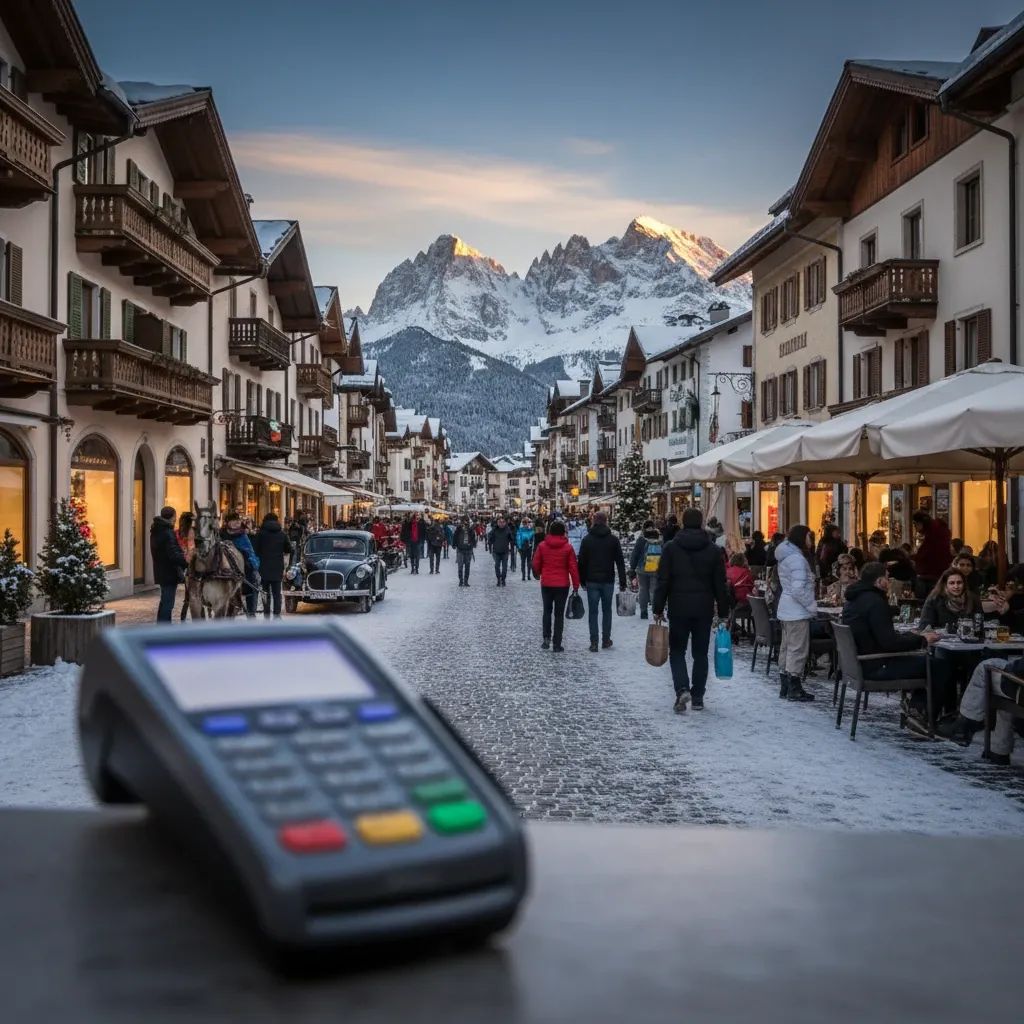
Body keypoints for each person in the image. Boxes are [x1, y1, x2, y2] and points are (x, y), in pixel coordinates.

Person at [842, 561, 948, 738]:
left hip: (860, 664)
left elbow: (881, 636)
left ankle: (915, 706)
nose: (889, 581)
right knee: (938, 665)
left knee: (928, 661)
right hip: (876, 666)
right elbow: (889, 643)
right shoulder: (875, 602)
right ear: (879, 582)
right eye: (887, 578)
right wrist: (922, 639)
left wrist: (912, 636)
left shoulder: (854, 599)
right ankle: (920, 712)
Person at [652, 508, 729, 712]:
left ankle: (682, 689)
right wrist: (723, 611)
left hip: (678, 608)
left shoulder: (670, 548)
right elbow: (720, 584)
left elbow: (663, 580)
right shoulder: (713, 550)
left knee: (677, 651)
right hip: (703, 609)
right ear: (701, 522)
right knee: (700, 653)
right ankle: (698, 697)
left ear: (683, 523)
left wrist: (658, 607)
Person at [939, 655, 1024, 764]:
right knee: (1004, 697)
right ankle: (998, 750)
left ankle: (967, 723)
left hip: (1019, 690)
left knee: (986, 666)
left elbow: (1019, 668)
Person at [773, 524, 818, 702]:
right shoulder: (797, 560)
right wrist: (811, 605)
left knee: (786, 647)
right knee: (797, 648)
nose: (811, 541)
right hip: (796, 610)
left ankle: (785, 684)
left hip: (786, 608)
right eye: (809, 536)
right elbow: (799, 589)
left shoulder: (786, 557)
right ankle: (794, 686)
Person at [577, 511, 627, 652]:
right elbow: (620, 562)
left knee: (593, 612)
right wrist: (623, 581)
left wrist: (582, 580)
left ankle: (594, 642)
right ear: (606, 522)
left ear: (593, 521)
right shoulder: (613, 540)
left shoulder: (587, 540)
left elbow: (581, 562)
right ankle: (606, 639)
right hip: (607, 580)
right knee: (606, 611)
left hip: (592, 580)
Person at [532, 519, 580, 653]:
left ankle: (546, 638)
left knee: (547, 611)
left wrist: (541, 572)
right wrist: (576, 585)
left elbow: (535, 564)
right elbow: (573, 567)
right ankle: (557, 643)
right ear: (563, 532)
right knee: (559, 614)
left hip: (547, 583)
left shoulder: (542, 546)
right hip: (562, 585)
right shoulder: (568, 547)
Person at [151, 505, 187, 623]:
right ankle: (164, 627)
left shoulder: (156, 530)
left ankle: (161, 625)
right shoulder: (167, 532)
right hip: (169, 572)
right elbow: (173, 553)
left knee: (164, 600)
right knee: (168, 602)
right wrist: (186, 561)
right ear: (173, 517)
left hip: (161, 570)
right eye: (175, 517)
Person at [252, 512, 292, 618]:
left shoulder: (260, 534)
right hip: (277, 567)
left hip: (263, 567)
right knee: (276, 593)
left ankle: (266, 615)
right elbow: (289, 549)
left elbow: (254, 550)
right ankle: (276, 614)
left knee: (265, 593)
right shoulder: (282, 534)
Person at [222, 511, 260, 616]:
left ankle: (251, 612)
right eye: (233, 520)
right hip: (224, 568)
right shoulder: (222, 534)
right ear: (227, 522)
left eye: (237, 520)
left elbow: (250, 551)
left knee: (251, 582)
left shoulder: (243, 535)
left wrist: (252, 565)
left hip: (243, 565)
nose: (236, 523)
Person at [911, 510, 952, 596]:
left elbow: (927, 552)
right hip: (939, 572)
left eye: (915, 524)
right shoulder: (939, 528)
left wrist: (914, 557)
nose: (915, 528)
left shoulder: (933, 532)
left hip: (930, 575)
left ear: (920, 522)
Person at [629, 520, 663, 620]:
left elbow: (635, 554)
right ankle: (655, 612)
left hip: (642, 569)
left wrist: (632, 567)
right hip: (655, 568)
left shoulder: (642, 539)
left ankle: (643, 611)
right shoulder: (659, 538)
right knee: (653, 590)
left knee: (643, 590)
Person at [175, 511, 196, 622]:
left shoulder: (177, 532)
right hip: (189, 564)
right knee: (191, 593)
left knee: (187, 595)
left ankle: (183, 616)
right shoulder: (191, 532)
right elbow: (191, 549)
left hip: (180, 562)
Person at [490, 514, 515, 586]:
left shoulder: (507, 529)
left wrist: (511, 535)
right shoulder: (494, 529)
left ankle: (503, 579)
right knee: (497, 566)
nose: (501, 523)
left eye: (503, 522)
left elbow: (512, 539)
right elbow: (489, 537)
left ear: (505, 523)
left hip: (505, 551)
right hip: (496, 551)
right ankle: (498, 579)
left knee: (504, 567)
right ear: (497, 523)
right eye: (500, 522)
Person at [453, 516, 477, 587]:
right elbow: (455, 536)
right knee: (460, 566)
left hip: (468, 550)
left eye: (466, 521)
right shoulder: (459, 529)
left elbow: (473, 538)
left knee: (467, 566)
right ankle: (461, 580)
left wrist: (473, 544)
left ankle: (466, 581)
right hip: (460, 549)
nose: (465, 522)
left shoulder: (470, 529)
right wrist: (454, 544)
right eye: (463, 521)